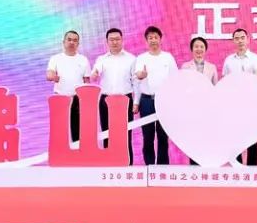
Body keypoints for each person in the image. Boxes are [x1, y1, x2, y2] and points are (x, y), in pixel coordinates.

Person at [91, 28, 136, 164]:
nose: (114, 42)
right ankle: (109, 165)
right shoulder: (102, 59)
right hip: (106, 100)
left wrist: (136, 102)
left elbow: (136, 82)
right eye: (111, 40)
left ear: (122, 40)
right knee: (107, 133)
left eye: (117, 39)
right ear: (107, 42)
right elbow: (96, 71)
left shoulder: (131, 59)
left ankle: (127, 165)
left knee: (126, 134)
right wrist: (94, 74)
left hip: (125, 100)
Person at [133, 26, 177, 165]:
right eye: (150, 38)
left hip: (164, 101)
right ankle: (149, 166)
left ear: (160, 39)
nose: (153, 40)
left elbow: (175, 80)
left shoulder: (168, 57)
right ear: (146, 41)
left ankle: (163, 167)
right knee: (148, 136)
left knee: (163, 136)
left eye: (155, 37)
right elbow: (137, 79)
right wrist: (136, 102)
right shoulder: (141, 58)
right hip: (147, 101)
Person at [222, 28, 257, 165]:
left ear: (248, 40)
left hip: (251, 103)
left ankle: (252, 168)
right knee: (235, 136)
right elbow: (225, 83)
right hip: (234, 104)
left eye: (242, 38)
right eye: (237, 38)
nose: (240, 41)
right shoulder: (229, 61)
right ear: (233, 41)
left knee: (252, 137)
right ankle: (237, 165)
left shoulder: (256, 58)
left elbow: (256, 79)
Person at [46, 31, 91, 144]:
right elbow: (49, 74)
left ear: (78, 44)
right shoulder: (55, 58)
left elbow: (86, 81)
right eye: (69, 39)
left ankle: (78, 153)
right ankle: (60, 153)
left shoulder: (83, 59)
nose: (72, 42)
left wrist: (86, 100)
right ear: (64, 42)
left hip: (77, 100)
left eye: (75, 40)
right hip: (60, 98)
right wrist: (53, 76)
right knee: (59, 130)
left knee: (77, 131)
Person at [181, 36, 218, 165]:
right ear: (192, 49)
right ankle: (194, 167)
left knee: (207, 137)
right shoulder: (185, 67)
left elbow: (215, 88)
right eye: (196, 46)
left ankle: (206, 165)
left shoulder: (212, 67)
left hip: (207, 109)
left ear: (205, 50)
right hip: (192, 108)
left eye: (201, 47)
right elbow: (182, 88)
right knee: (193, 138)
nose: (199, 49)